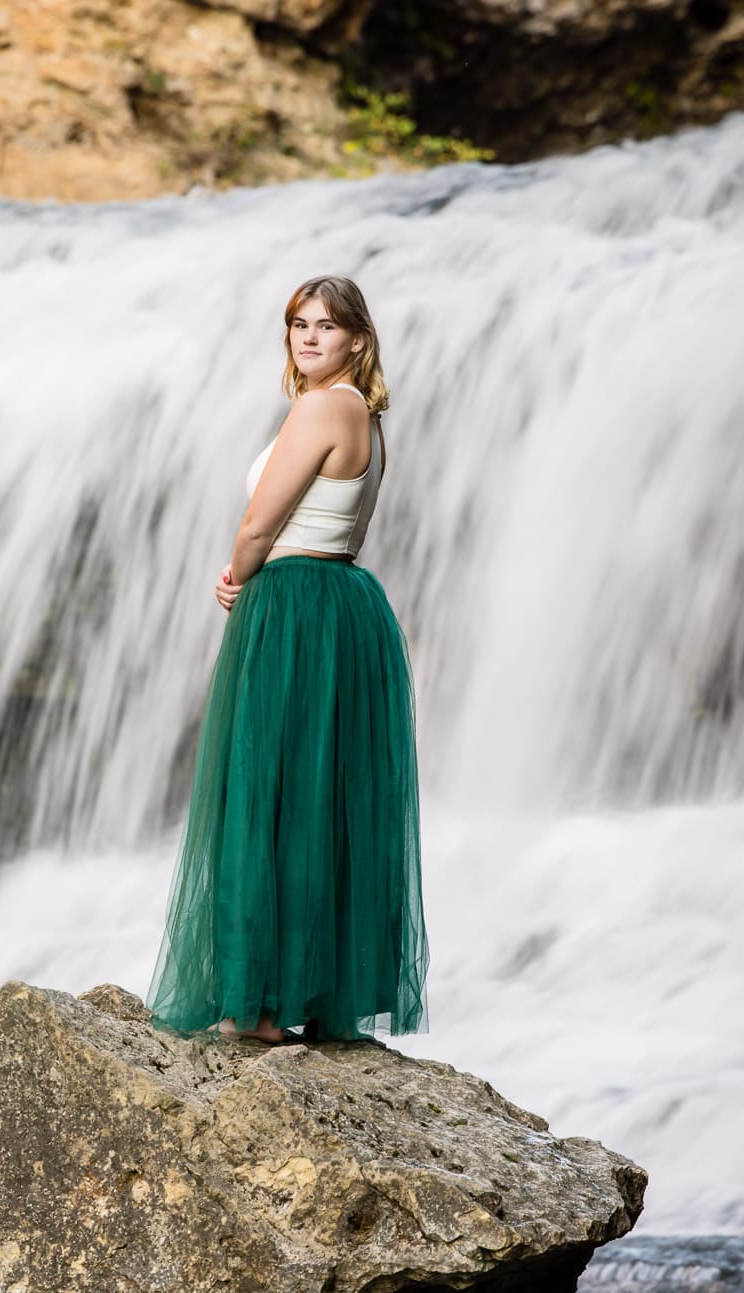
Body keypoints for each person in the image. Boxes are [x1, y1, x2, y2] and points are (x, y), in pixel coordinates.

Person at [146, 274, 430, 1045]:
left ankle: (258, 1006)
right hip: (341, 600)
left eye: (326, 326)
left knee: (266, 795)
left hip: (294, 604)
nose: (308, 337)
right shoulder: (363, 415)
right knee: (319, 801)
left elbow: (258, 521)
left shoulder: (319, 406)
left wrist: (238, 575)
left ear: (356, 341)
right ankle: (302, 992)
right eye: (298, 324)